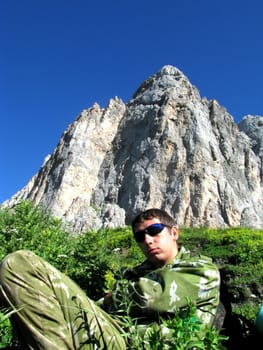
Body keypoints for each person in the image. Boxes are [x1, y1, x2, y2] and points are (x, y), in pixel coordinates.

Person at [0, 208, 221, 349]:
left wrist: (111, 297)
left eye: (154, 230)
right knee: (37, 291)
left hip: (137, 343)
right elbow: (102, 305)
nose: (147, 240)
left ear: (174, 233)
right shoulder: (135, 273)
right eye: (139, 236)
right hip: (113, 333)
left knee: (19, 262)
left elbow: (149, 296)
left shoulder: (201, 269)